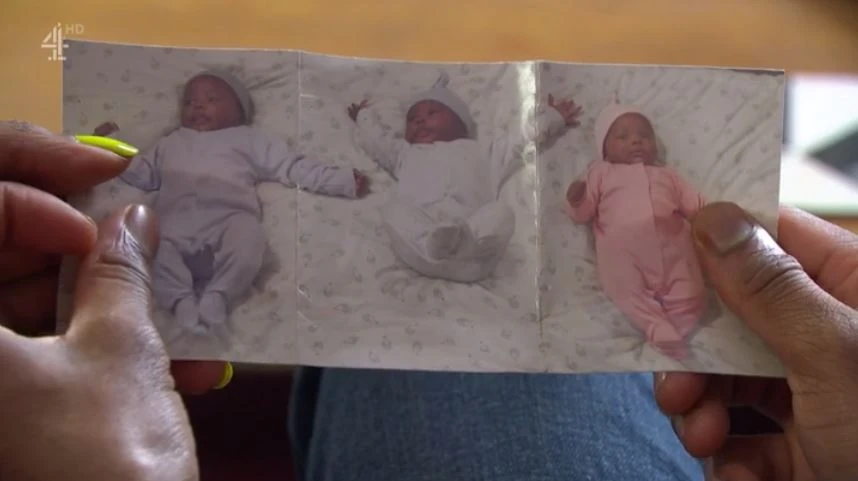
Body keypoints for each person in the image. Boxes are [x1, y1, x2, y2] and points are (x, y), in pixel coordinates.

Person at [2, 119, 858, 481]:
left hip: (490, 226)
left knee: (509, 224)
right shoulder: (408, 153)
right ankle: (438, 252)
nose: (425, 128)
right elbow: (371, 160)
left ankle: (463, 251)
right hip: (418, 227)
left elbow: (522, 166)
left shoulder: (494, 153)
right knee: (408, 231)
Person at [94, 70, 370, 340]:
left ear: (239, 111)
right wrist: (112, 145)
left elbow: (291, 167)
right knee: (149, 242)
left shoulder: (248, 138)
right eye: (189, 101)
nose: (197, 106)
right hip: (174, 224)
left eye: (211, 99)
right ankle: (179, 301)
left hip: (227, 219)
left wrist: (341, 180)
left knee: (249, 236)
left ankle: (220, 294)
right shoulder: (170, 142)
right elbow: (143, 173)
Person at [348, 72, 581, 282]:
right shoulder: (404, 154)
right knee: (393, 209)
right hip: (421, 252)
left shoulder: (485, 152)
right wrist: (363, 116)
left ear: (460, 123)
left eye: (432, 113)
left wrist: (552, 118)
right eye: (412, 119)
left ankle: (465, 244)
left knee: (501, 212)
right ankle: (429, 241)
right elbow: (378, 142)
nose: (419, 121)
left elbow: (521, 139)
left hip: (473, 255)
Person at [566, 101, 707, 360]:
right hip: (623, 254)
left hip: (673, 250)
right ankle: (655, 324)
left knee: (693, 292)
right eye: (623, 137)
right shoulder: (601, 172)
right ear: (604, 149)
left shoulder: (667, 175)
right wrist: (577, 199)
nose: (636, 141)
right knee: (623, 288)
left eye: (645, 136)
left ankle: (677, 328)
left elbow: (696, 206)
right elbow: (582, 214)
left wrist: (711, 216)